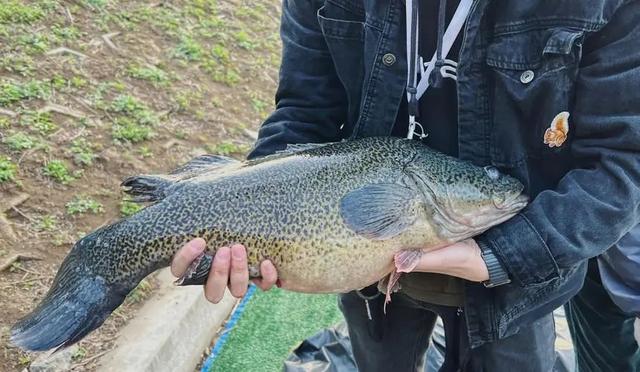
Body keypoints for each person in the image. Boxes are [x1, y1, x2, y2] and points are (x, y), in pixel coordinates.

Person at [171, 0, 640, 370]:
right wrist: (253, 228)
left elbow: (622, 162)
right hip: (369, 278)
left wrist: (504, 256)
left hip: (520, 286)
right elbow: (303, 113)